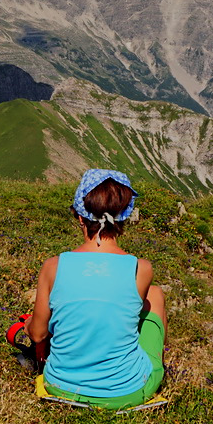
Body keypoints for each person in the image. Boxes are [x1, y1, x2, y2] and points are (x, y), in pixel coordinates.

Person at [24, 169, 167, 409]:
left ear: (79, 217)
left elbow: (37, 334)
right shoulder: (140, 269)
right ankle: (142, 370)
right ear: (124, 216)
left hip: (60, 386)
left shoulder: (53, 266)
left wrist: (29, 323)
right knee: (154, 294)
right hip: (128, 392)